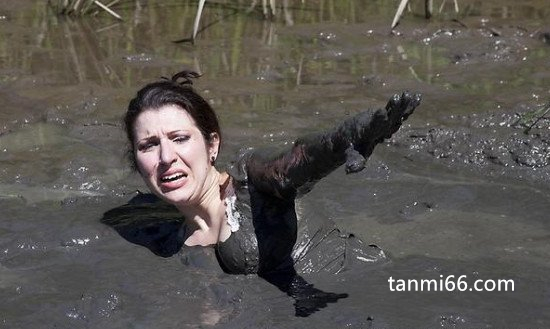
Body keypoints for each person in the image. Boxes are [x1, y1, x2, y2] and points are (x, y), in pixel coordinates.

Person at [111, 69, 421, 316]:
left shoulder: (249, 182)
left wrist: (345, 140)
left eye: (179, 138)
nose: (166, 157)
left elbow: (292, 164)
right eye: (149, 145)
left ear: (212, 145)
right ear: (138, 162)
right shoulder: (175, 240)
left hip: (385, 289)